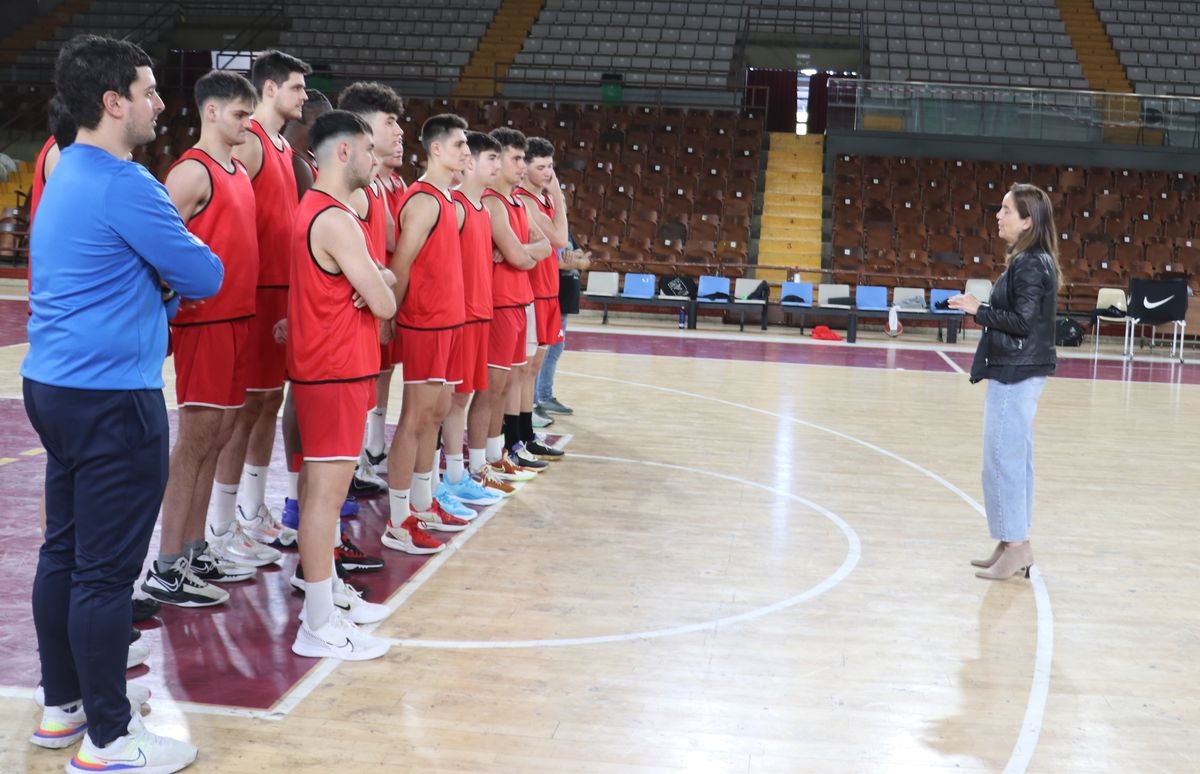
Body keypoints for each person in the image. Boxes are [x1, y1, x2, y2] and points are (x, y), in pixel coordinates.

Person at [23, 34, 223, 772]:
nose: (161, 104)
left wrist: (150, 278)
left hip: (53, 386)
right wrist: (162, 277)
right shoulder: (126, 182)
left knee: (64, 551)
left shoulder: (63, 166)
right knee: (105, 573)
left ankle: (64, 705)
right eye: (148, 91)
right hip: (113, 396)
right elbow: (204, 275)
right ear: (113, 103)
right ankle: (109, 738)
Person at [146, 70, 280, 609]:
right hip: (205, 324)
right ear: (211, 112)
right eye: (240, 114)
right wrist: (165, 312)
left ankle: (194, 549)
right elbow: (155, 248)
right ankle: (166, 566)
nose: (248, 123)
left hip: (239, 320)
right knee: (196, 442)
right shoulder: (191, 172)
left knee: (219, 437)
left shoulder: (237, 171)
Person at [287, 110, 396, 659]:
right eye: (369, 149)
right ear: (345, 152)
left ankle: (326, 598)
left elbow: (378, 282)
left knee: (319, 494)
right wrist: (377, 284)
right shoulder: (335, 218)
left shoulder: (320, 209)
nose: (376, 159)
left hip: (328, 369)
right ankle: (317, 624)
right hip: (335, 370)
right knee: (325, 501)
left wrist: (376, 280)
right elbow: (385, 301)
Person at [210, 49, 310, 551]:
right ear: (269, 88)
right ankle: (221, 522)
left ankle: (250, 509)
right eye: (296, 87)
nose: (304, 96)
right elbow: (228, 212)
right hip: (254, 292)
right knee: (245, 408)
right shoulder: (249, 142)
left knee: (268, 403)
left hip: (280, 290)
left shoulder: (283, 148)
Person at [948, 183, 1060, 581]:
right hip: (1020, 369)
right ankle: (1011, 542)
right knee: (1011, 459)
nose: (998, 215)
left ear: (1027, 221)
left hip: (1017, 371)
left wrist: (979, 309)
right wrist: (982, 308)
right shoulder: (1032, 260)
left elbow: (1022, 322)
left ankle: (1016, 546)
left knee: (1002, 460)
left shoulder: (1030, 263)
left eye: (1006, 210)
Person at [381, 113, 474, 553]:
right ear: (436, 149)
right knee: (414, 419)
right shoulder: (423, 200)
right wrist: (389, 313)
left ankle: (422, 502)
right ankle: (398, 520)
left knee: (436, 413)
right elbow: (400, 264)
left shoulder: (447, 198)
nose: (466, 152)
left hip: (449, 321)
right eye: (459, 145)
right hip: (426, 322)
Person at [443, 131, 509, 503]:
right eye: (491, 159)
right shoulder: (455, 206)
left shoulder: (483, 209)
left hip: (481, 312)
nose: (498, 166)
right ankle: (452, 476)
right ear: (470, 162)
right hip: (460, 315)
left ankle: (463, 472)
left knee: (464, 396)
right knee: (451, 401)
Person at [483, 127, 552, 480]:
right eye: (516, 158)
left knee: (507, 385)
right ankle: (487, 457)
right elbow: (525, 257)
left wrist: (519, 250)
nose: (522, 166)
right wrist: (523, 252)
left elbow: (545, 247)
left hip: (519, 300)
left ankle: (500, 452)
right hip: (499, 303)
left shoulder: (516, 204)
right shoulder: (492, 202)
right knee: (491, 390)